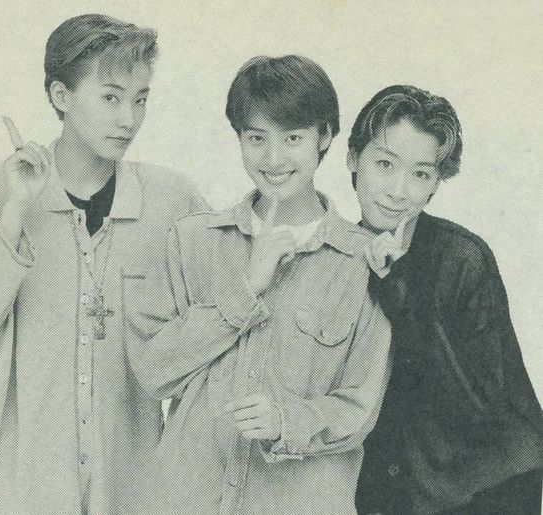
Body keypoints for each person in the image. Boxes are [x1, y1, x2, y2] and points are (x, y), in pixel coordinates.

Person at [124, 55, 392, 514]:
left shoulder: (364, 262)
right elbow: (152, 372)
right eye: (256, 138)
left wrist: (286, 420)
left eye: (293, 138)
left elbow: (361, 405)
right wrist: (245, 289)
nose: (273, 159)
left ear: (325, 137)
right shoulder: (191, 241)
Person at [0, 14, 205, 514]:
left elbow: (212, 329)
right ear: (61, 95)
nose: (129, 119)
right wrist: (17, 207)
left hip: (131, 481)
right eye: (111, 98)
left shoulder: (173, 201)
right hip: (20, 481)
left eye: (140, 100)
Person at [348, 85, 543, 514]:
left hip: (486, 486)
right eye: (385, 164)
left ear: (435, 184)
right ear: (353, 160)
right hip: (397, 486)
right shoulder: (339, 257)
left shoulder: (462, 258)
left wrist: (397, 287)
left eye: (420, 174)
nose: (398, 191)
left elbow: (474, 401)